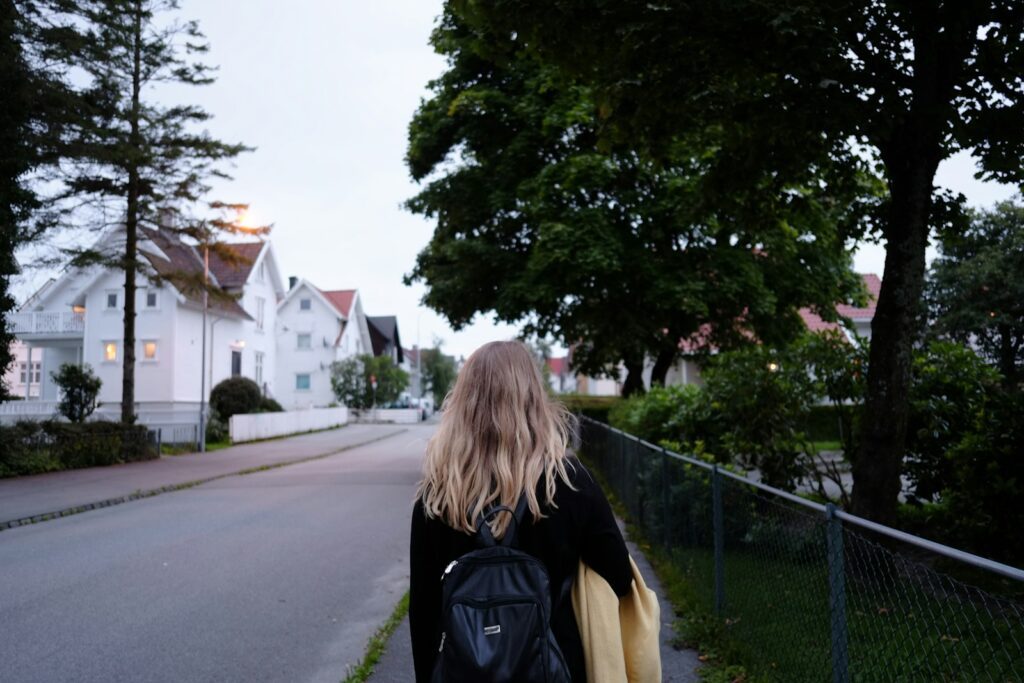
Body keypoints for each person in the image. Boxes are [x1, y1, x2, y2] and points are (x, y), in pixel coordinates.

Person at [409, 340, 632, 682]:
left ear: (463, 402)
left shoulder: (437, 496)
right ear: (533, 398)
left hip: (464, 668)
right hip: (554, 664)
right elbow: (619, 577)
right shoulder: (570, 482)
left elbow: (423, 611)